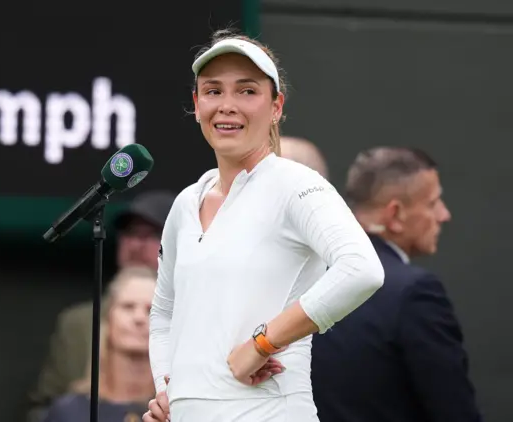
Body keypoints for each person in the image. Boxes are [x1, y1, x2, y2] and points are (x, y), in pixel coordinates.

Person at [142, 29, 385, 422]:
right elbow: (165, 311)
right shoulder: (187, 202)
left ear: (276, 107)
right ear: (196, 103)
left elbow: (362, 269)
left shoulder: (296, 184)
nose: (227, 105)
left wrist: (262, 343)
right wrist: (171, 390)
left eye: (247, 91)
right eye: (213, 90)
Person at [311, 147, 482, 422]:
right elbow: (454, 410)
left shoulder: (306, 275)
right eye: (433, 203)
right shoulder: (414, 292)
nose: (443, 215)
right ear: (395, 214)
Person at [27, 191, 175, 422]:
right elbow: (44, 405)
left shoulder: (193, 322)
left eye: (152, 234)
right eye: (131, 234)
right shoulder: (78, 322)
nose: (137, 244)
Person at [43, 266, 158, 422]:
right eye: (128, 307)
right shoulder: (68, 411)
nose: (139, 318)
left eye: (151, 309)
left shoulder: (180, 407)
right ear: (108, 320)